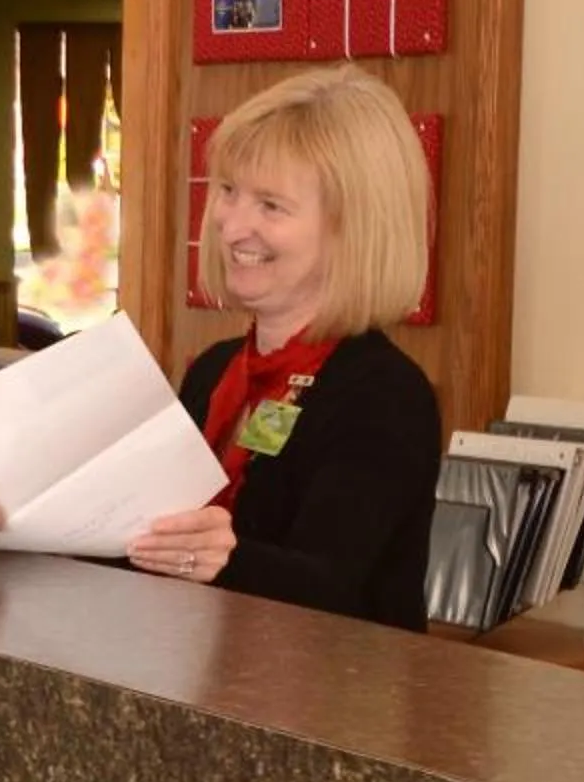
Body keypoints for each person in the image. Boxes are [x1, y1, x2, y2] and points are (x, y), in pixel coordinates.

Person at [122, 66, 443, 630]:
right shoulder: (215, 371)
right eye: (228, 192)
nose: (231, 226)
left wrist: (221, 559)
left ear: (353, 230)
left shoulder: (385, 394)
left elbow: (332, 588)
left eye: (270, 205)